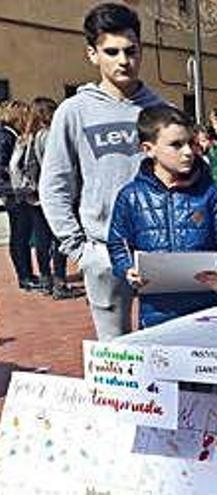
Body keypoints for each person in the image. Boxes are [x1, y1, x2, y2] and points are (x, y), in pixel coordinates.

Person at [39, 3, 165, 339]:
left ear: (141, 50)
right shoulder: (74, 112)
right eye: (112, 52)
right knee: (115, 359)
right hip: (103, 252)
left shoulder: (162, 110)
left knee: (167, 351)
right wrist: (80, 250)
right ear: (93, 54)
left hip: (161, 252)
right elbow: (54, 185)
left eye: (131, 50)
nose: (124, 60)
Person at [107, 106, 217, 328]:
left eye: (190, 143)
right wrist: (128, 270)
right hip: (157, 316)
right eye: (176, 145)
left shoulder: (211, 194)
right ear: (148, 149)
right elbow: (118, 245)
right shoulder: (131, 197)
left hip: (213, 312)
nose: (188, 152)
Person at [25, 97, 84, 299]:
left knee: (42, 239)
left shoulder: (31, 136)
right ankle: (59, 282)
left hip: (36, 195)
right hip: (58, 193)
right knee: (60, 238)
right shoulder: (53, 136)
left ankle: (45, 280)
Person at [0, 100, 44, 292]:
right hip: (13, 193)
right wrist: (17, 183)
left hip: (12, 191)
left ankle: (26, 274)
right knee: (20, 235)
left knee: (21, 234)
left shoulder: (9, 135)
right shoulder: (5, 137)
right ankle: (24, 277)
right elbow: (4, 165)